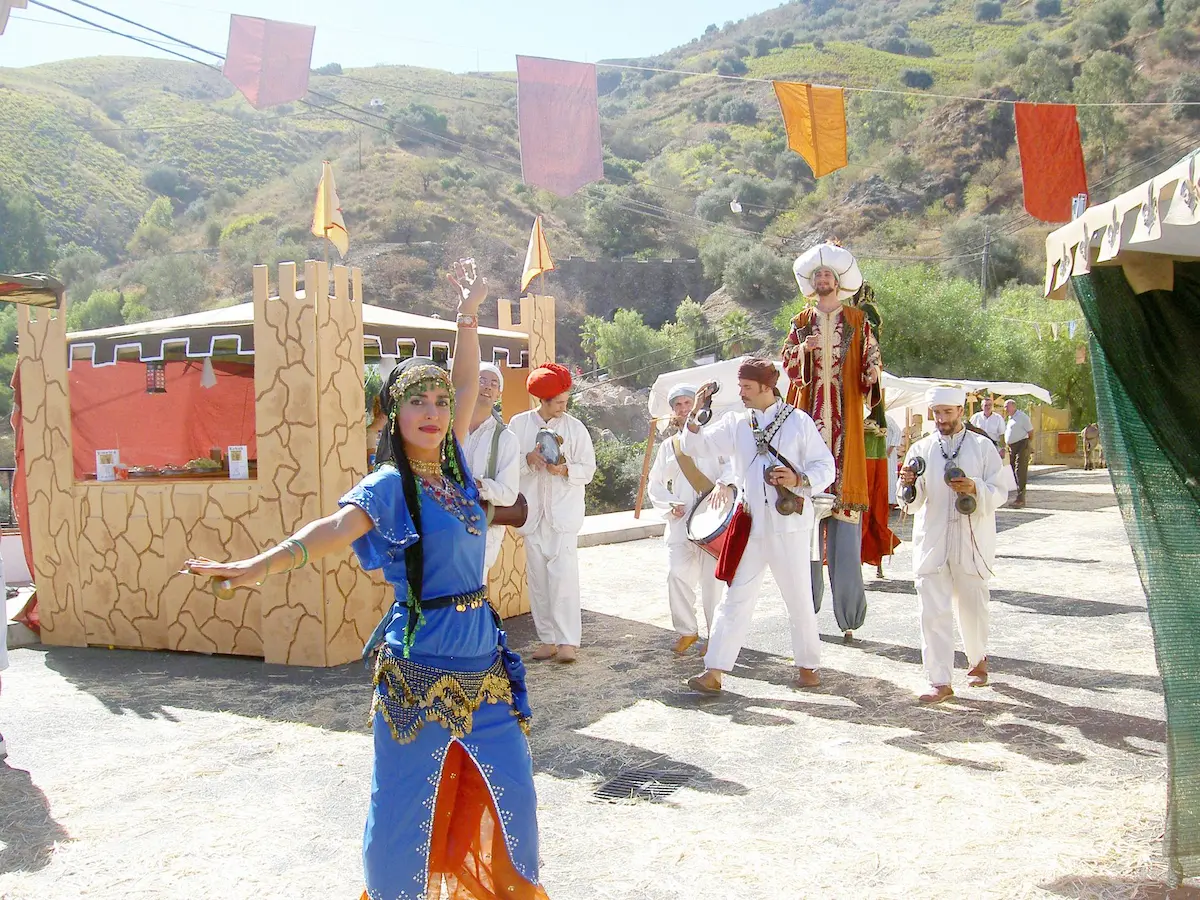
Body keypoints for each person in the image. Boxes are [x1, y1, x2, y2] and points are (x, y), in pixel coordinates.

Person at [185, 262, 551, 900]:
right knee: (403, 817)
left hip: (484, 663)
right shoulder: (389, 485)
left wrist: (468, 313)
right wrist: (253, 568)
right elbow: (331, 529)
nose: (435, 412)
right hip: (419, 665)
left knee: (513, 789)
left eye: (440, 403)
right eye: (418, 402)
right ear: (392, 414)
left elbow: (467, 383)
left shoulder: (457, 467)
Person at [680, 359, 836, 695]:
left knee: (798, 597)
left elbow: (827, 467)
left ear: (767, 387)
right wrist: (694, 414)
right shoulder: (737, 422)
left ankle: (808, 664)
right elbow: (696, 446)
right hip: (750, 524)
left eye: (747, 388)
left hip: (789, 524)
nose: (741, 394)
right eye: (741, 387)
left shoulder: (798, 422)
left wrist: (799, 479)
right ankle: (714, 670)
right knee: (735, 598)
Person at [782, 242, 882, 641]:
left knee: (844, 526)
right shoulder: (800, 320)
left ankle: (849, 616)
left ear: (839, 284)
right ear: (812, 283)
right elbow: (788, 365)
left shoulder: (858, 319)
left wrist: (872, 371)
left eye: (830, 276)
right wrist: (801, 350)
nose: (824, 280)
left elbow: (872, 360)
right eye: (819, 276)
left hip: (847, 427)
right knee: (805, 530)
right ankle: (806, 610)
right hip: (810, 420)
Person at [899, 386, 1009, 704]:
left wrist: (975, 487)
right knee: (932, 611)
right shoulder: (920, 449)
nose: (942, 419)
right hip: (932, 541)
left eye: (948, 412)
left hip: (971, 539)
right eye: (937, 413)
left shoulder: (983, 447)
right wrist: (906, 484)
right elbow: (912, 502)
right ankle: (939, 680)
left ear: (961, 411)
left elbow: (1000, 490)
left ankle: (977, 659)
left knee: (973, 605)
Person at [509, 363, 596, 664]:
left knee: (563, 579)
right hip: (532, 515)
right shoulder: (518, 426)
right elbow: (507, 466)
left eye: (565, 400)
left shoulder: (575, 428)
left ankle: (568, 641)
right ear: (542, 401)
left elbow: (588, 469)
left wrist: (564, 470)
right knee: (538, 580)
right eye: (558, 401)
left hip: (563, 515)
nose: (564, 405)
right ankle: (547, 639)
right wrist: (527, 460)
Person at [647, 383, 728, 655]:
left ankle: (715, 638)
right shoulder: (669, 446)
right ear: (673, 411)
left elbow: (732, 468)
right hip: (680, 521)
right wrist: (670, 505)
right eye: (678, 405)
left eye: (687, 403)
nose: (683, 409)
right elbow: (654, 483)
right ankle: (687, 631)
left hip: (712, 520)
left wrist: (723, 484)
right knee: (676, 575)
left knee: (712, 583)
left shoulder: (715, 437)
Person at [463, 361, 521, 577]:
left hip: (481, 535)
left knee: (472, 597)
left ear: (499, 393)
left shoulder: (506, 439)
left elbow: (508, 494)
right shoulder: (449, 428)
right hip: (443, 531)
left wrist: (478, 486)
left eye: (494, 383)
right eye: (481, 380)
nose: (487, 386)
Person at [1004, 399, 1034, 508]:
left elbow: (1031, 432)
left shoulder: (1022, 417)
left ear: (1013, 406)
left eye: (1007, 406)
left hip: (1022, 444)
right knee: (1011, 470)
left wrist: (1026, 444)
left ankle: (1021, 498)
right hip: (1012, 447)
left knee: (1020, 470)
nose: (1005, 409)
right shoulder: (1010, 418)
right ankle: (1016, 496)